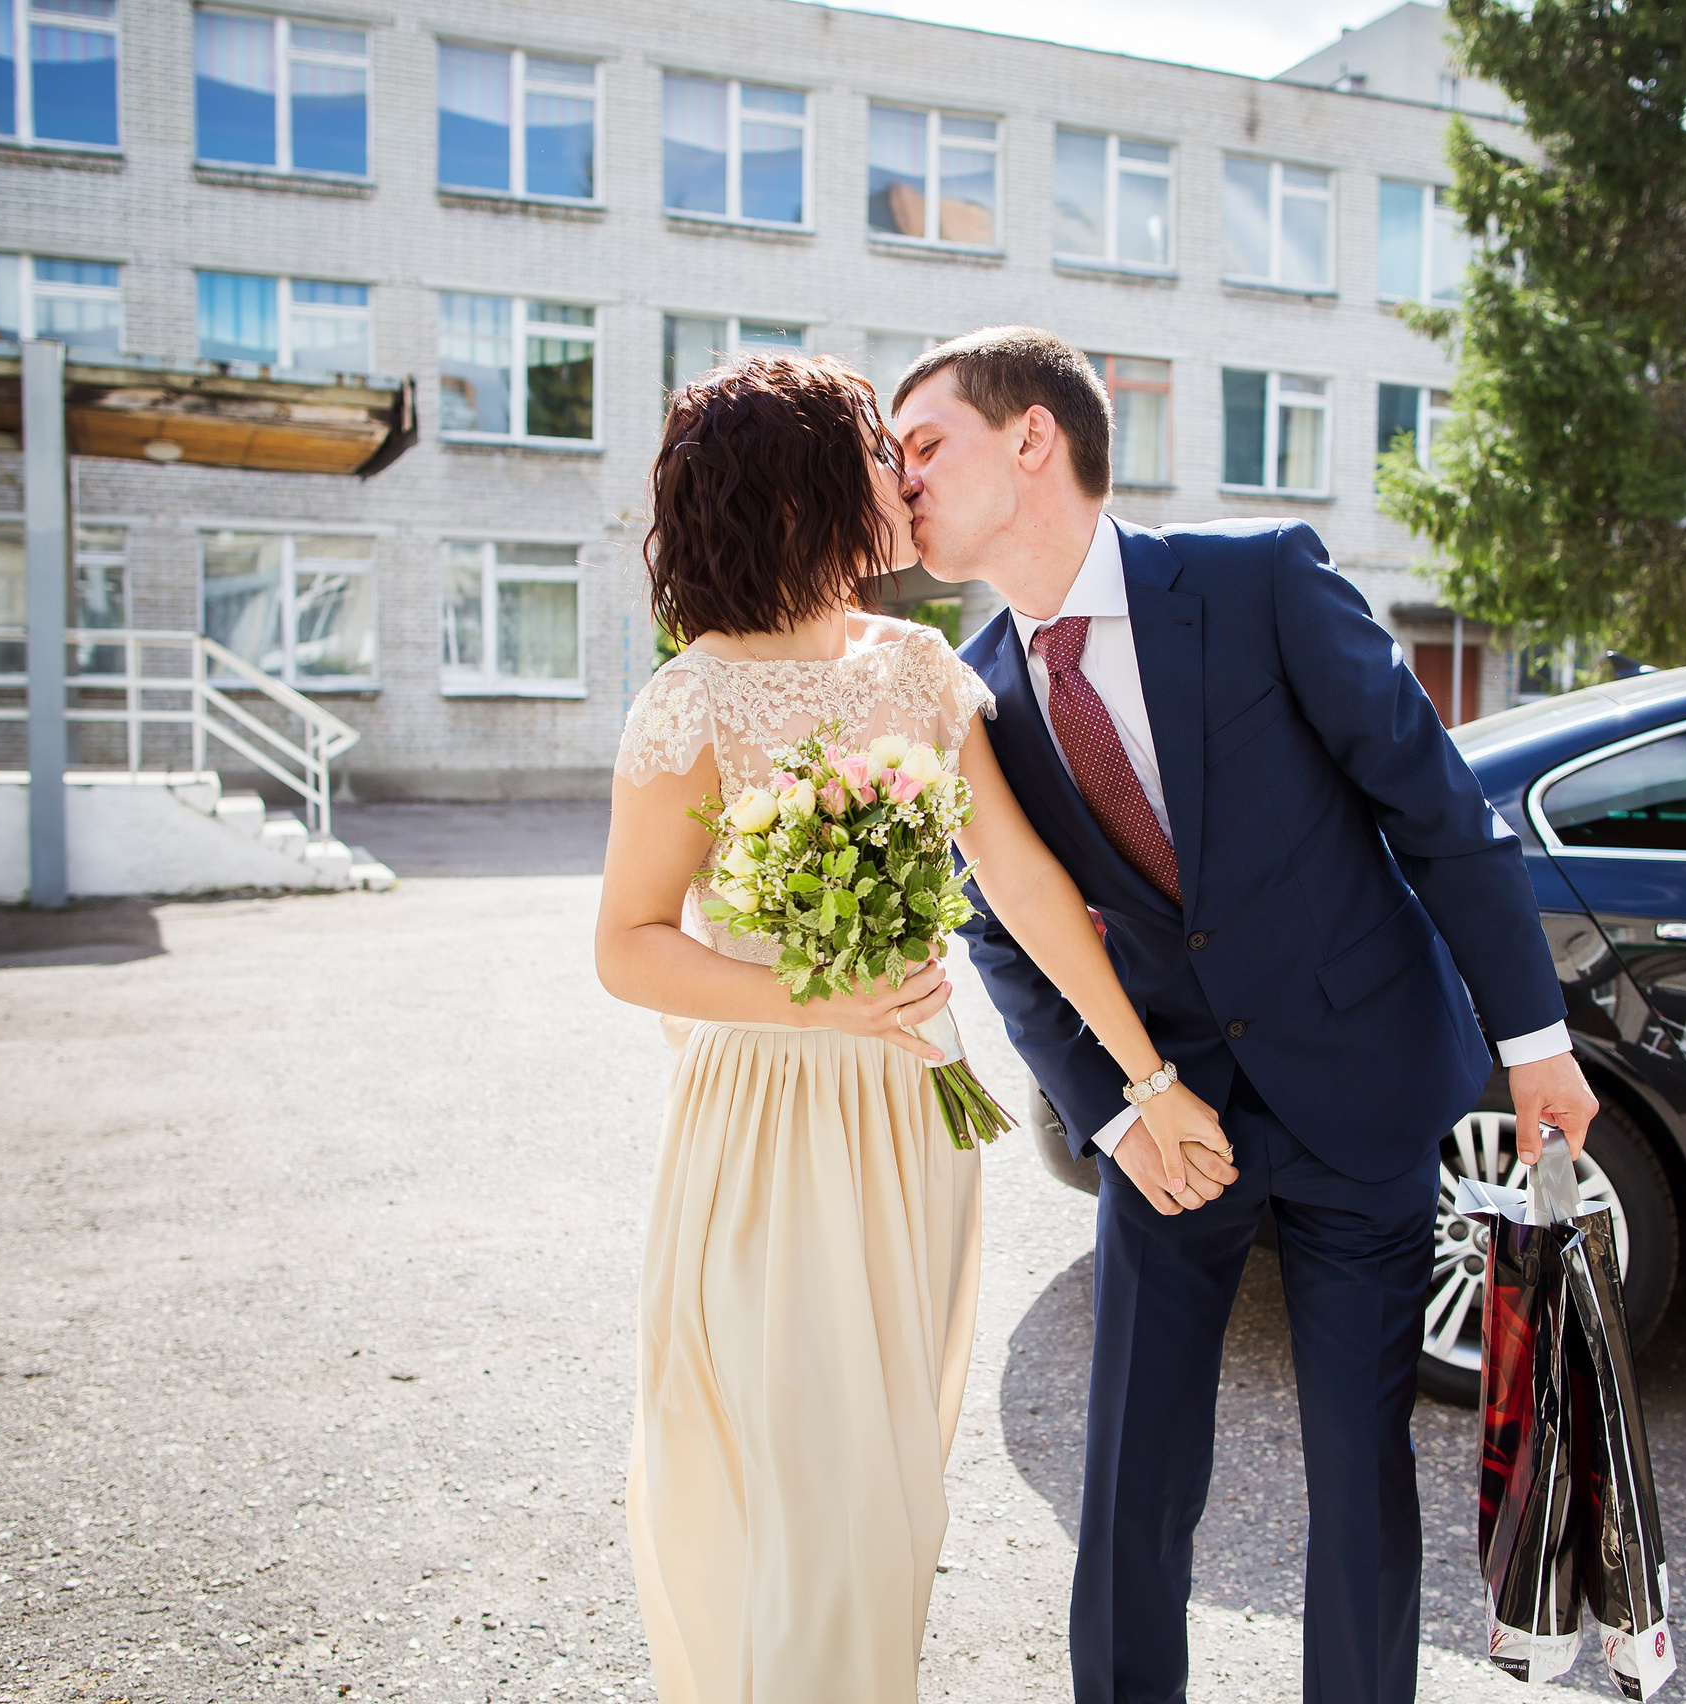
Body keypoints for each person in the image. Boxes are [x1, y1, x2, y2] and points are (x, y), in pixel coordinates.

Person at [891, 326, 1602, 1704]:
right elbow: (1001, 931)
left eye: (927, 446)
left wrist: (1536, 1042)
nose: (902, 480)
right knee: (1130, 1485)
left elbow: (1436, 809)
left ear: (1033, 437)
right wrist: (1112, 1110)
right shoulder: (967, 693)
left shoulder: (1259, 576)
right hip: (1170, 1124)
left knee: (1359, 1472)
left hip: (1361, 1088)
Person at [594, 354, 1230, 1703]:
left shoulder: (923, 671)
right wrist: (805, 998)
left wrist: (1146, 1075)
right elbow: (628, 945)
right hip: (762, 1125)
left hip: (913, 1122)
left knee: (888, 1481)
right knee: (788, 1468)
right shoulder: (693, 699)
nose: (908, 476)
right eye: (884, 453)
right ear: (810, 489)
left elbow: (1023, 883)